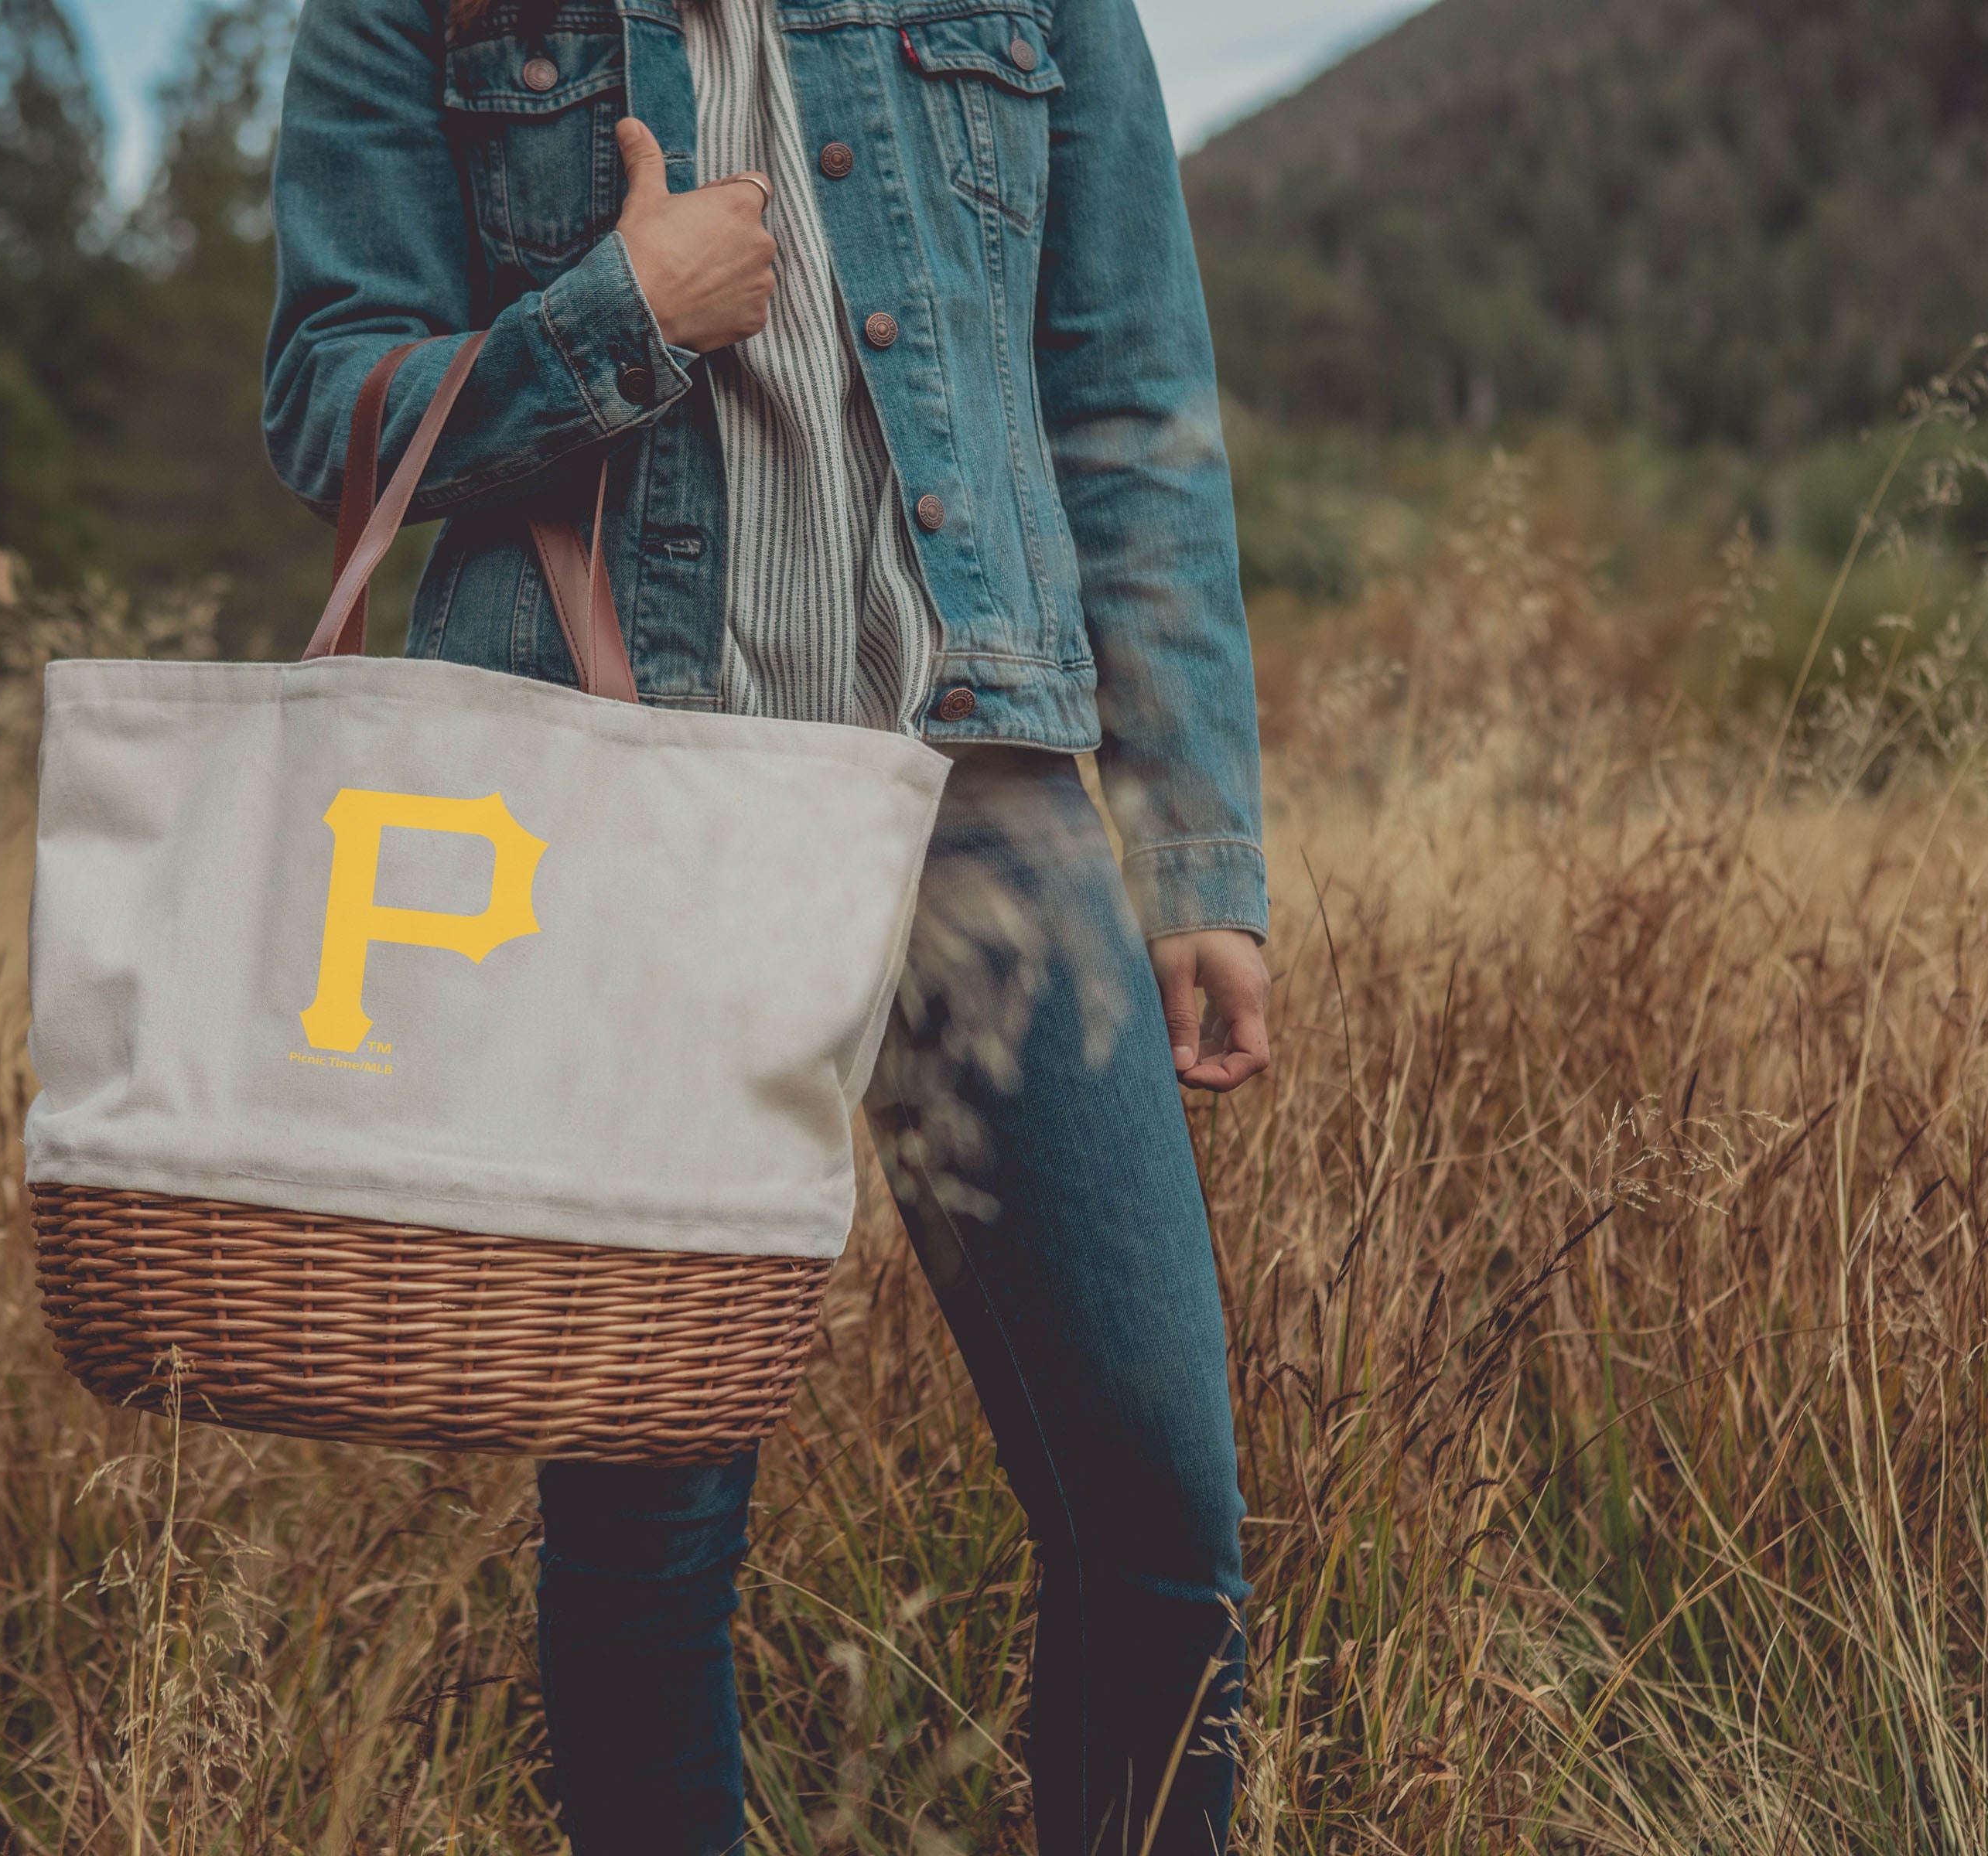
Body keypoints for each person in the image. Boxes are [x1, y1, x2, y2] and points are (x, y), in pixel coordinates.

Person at [265, 0, 1271, 1847]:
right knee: (650, 1543)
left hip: (985, 801)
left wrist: (1198, 845)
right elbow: (328, 399)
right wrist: (613, 320)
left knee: (1160, 1517)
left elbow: (1127, 401)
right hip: (628, 811)